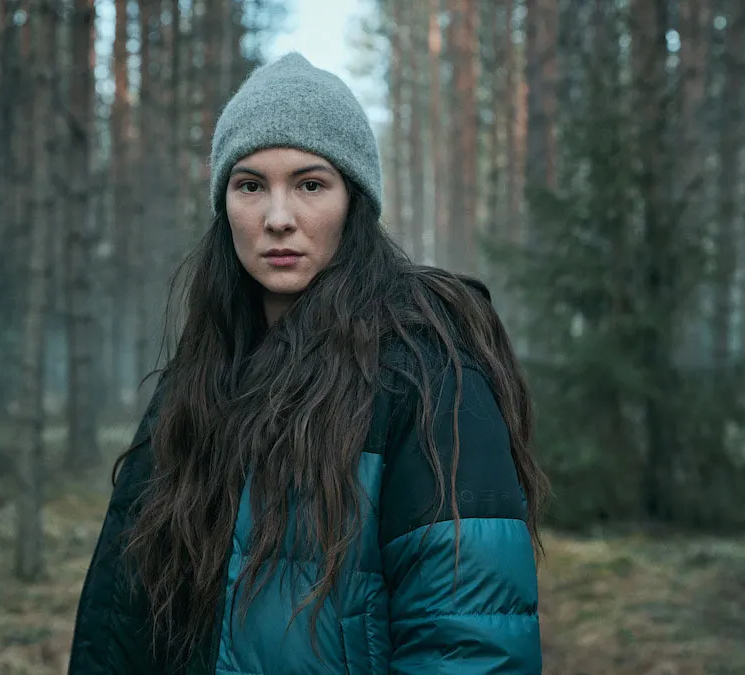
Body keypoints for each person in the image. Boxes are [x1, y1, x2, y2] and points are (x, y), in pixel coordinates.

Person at [67, 53, 548, 675]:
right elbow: (122, 621)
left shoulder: (426, 371)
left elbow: (472, 642)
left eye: (310, 184)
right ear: (225, 206)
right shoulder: (200, 377)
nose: (277, 218)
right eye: (250, 185)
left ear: (355, 202)